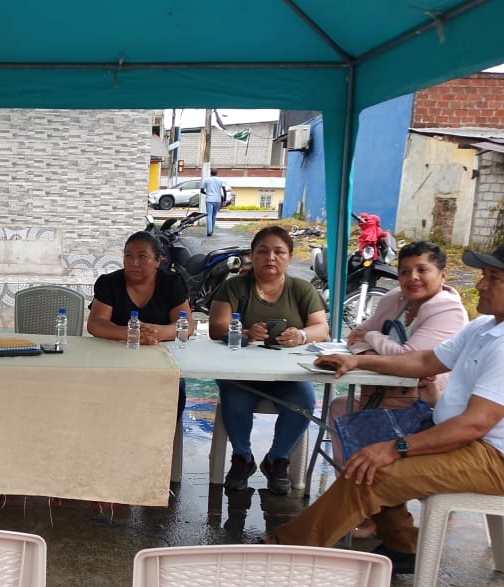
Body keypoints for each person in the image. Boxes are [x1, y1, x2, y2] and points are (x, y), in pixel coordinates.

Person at [270, 238, 504, 574]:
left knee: (373, 470)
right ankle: (404, 546)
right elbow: (424, 360)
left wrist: (395, 448)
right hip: (463, 438)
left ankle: (278, 553)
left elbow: (474, 424)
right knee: (368, 453)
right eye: (483, 275)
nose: (481, 285)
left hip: (501, 459)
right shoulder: (486, 326)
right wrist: (358, 361)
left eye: (494, 278)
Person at [327, 241, 468, 538]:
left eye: (422, 270)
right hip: (387, 395)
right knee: (340, 409)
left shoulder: (448, 310)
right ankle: (359, 503)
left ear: (442, 275)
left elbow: (411, 360)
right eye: (405, 271)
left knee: (358, 420)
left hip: (429, 406)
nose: (412, 277)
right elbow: (355, 338)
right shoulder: (394, 298)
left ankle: (370, 507)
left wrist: (373, 339)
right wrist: (376, 346)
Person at [208, 225, 330, 495]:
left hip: (287, 375)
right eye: (263, 251)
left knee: (303, 401)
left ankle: (278, 459)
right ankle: (242, 457)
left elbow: (322, 329)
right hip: (241, 374)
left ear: (290, 257)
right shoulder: (234, 287)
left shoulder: (301, 289)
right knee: (234, 399)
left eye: (279, 252)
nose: (270, 258)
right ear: (252, 256)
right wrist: (246, 332)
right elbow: (217, 327)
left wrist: (300, 335)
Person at [87, 230, 194, 431]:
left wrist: (156, 332)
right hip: (115, 359)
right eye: (128, 256)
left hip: (162, 359)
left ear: (158, 261)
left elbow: (186, 325)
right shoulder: (109, 283)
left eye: (142, 256)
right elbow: (96, 324)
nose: (134, 263)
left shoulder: (171, 283)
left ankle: (163, 442)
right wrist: (131, 334)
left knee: (175, 390)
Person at [200, 170, 227, 236]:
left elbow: (202, 191)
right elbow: (224, 190)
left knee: (209, 215)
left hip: (209, 200)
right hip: (217, 200)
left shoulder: (206, 180)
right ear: (217, 173)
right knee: (214, 215)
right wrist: (224, 200)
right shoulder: (221, 180)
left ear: (210, 173)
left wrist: (207, 193)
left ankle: (209, 231)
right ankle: (211, 230)